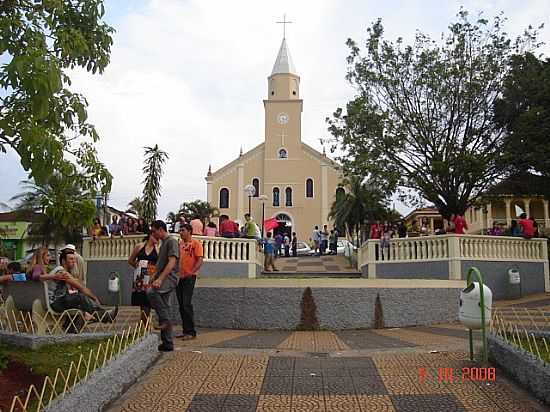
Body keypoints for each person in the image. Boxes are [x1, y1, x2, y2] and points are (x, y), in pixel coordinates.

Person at [40, 250, 118, 331]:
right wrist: (94, 298)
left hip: (57, 302)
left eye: (74, 259)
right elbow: (81, 287)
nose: (74, 261)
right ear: (63, 261)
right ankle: (105, 316)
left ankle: (72, 328)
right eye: (70, 259)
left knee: (79, 302)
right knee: (79, 297)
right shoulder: (61, 271)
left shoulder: (63, 271)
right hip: (55, 303)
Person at [146, 220, 180, 352]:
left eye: (154, 231)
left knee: (151, 292)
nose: (153, 234)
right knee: (165, 308)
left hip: (169, 278)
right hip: (163, 277)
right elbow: (161, 263)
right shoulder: (163, 243)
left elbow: (172, 262)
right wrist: (155, 276)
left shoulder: (171, 242)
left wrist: (160, 279)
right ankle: (167, 343)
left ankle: (165, 321)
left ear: (161, 229)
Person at [176, 223, 204, 340]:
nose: (180, 232)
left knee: (186, 304)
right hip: (179, 277)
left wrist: (192, 272)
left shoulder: (196, 244)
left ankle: (191, 332)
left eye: (183, 230)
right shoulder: (180, 245)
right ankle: (185, 330)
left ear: (189, 231)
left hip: (189, 277)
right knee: (181, 304)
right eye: (180, 230)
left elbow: (200, 260)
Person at [128, 233, 159, 324]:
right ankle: (143, 322)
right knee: (141, 300)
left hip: (151, 276)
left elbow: (160, 262)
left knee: (148, 300)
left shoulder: (157, 248)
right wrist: (137, 266)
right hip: (140, 277)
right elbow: (130, 260)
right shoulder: (139, 246)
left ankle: (145, 322)